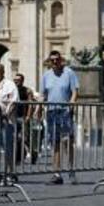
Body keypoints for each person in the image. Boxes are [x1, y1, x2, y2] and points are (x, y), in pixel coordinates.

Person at [40, 50, 78, 184]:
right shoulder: (46, 75)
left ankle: (71, 170)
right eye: (52, 60)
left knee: (67, 142)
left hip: (65, 111)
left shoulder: (69, 73)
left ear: (61, 59)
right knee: (54, 142)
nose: (55, 62)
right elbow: (43, 95)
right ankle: (56, 173)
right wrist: (38, 108)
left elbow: (74, 92)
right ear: (49, 62)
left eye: (57, 59)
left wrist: (71, 106)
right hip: (51, 112)